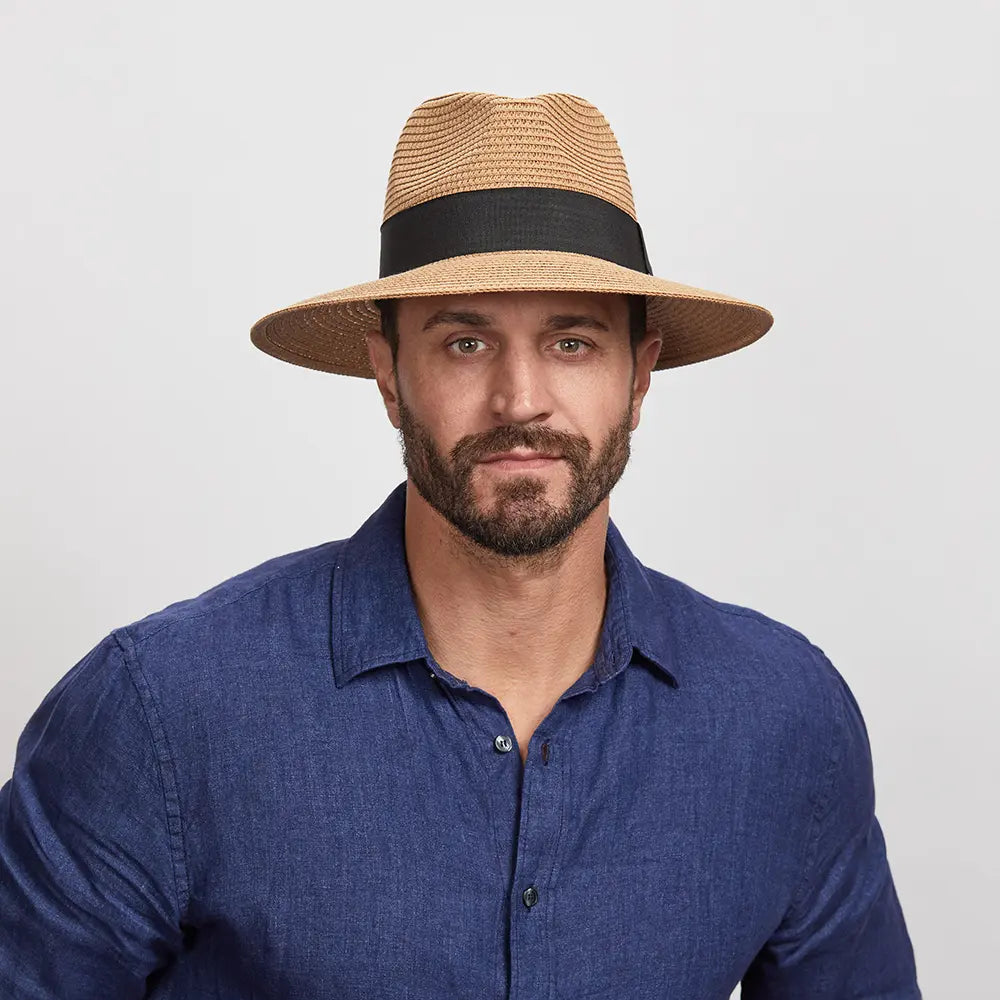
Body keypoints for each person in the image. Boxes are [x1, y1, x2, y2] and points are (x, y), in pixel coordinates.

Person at [0, 92, 921, 998]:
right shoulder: (161, 713)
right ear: (388, 374)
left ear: (639, 375)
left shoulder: (784, 720)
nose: (521, 400)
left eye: (571, 340)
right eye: (467, 343)